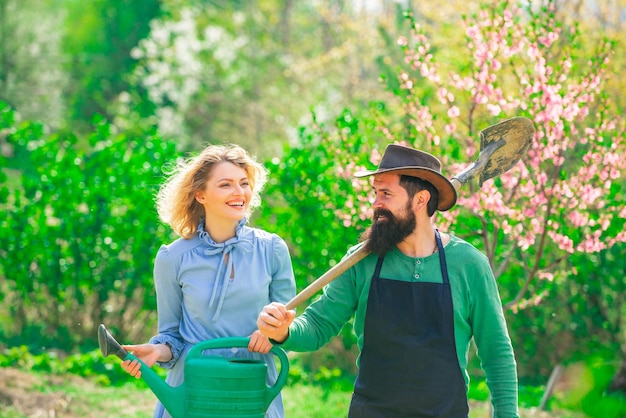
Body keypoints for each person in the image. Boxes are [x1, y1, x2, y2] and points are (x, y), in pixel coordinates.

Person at [257, 144, 519, 417]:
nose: (375, 204)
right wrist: (283, 332)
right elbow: (319, 324)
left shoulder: (468, 264)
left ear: (420, 200)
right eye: (375, 193)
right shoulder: (362, 260)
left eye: (386, 194)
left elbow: (496, 353)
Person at [120, 143, 296, 418]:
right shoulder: (173, 258)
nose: (239, 193)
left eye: (244, 183)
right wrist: (156, 350)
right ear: (200, 194)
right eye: (226, 185)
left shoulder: (271, 249)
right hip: (193, 389)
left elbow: (288, 323)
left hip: (252, 389)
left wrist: (272, 334)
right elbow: (172, 336)